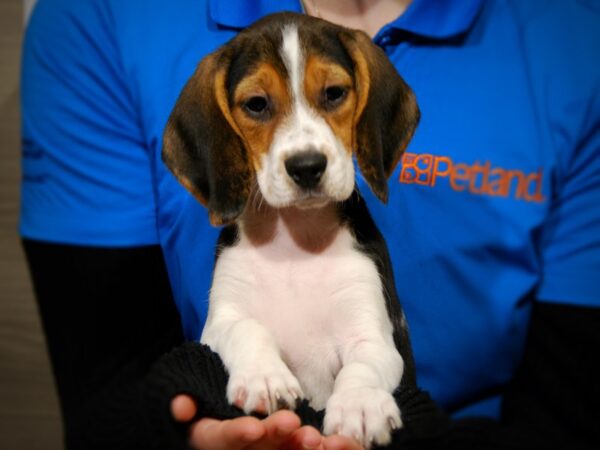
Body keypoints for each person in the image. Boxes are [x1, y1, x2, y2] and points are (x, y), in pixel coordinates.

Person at [20, 0, 600, 449]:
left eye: (332, 96)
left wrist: (370, 396)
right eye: (258, 106)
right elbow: (113, 394)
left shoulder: (571, 39)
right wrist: (174, 426)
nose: (305, 147)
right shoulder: (104, 18)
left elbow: (567, 418)